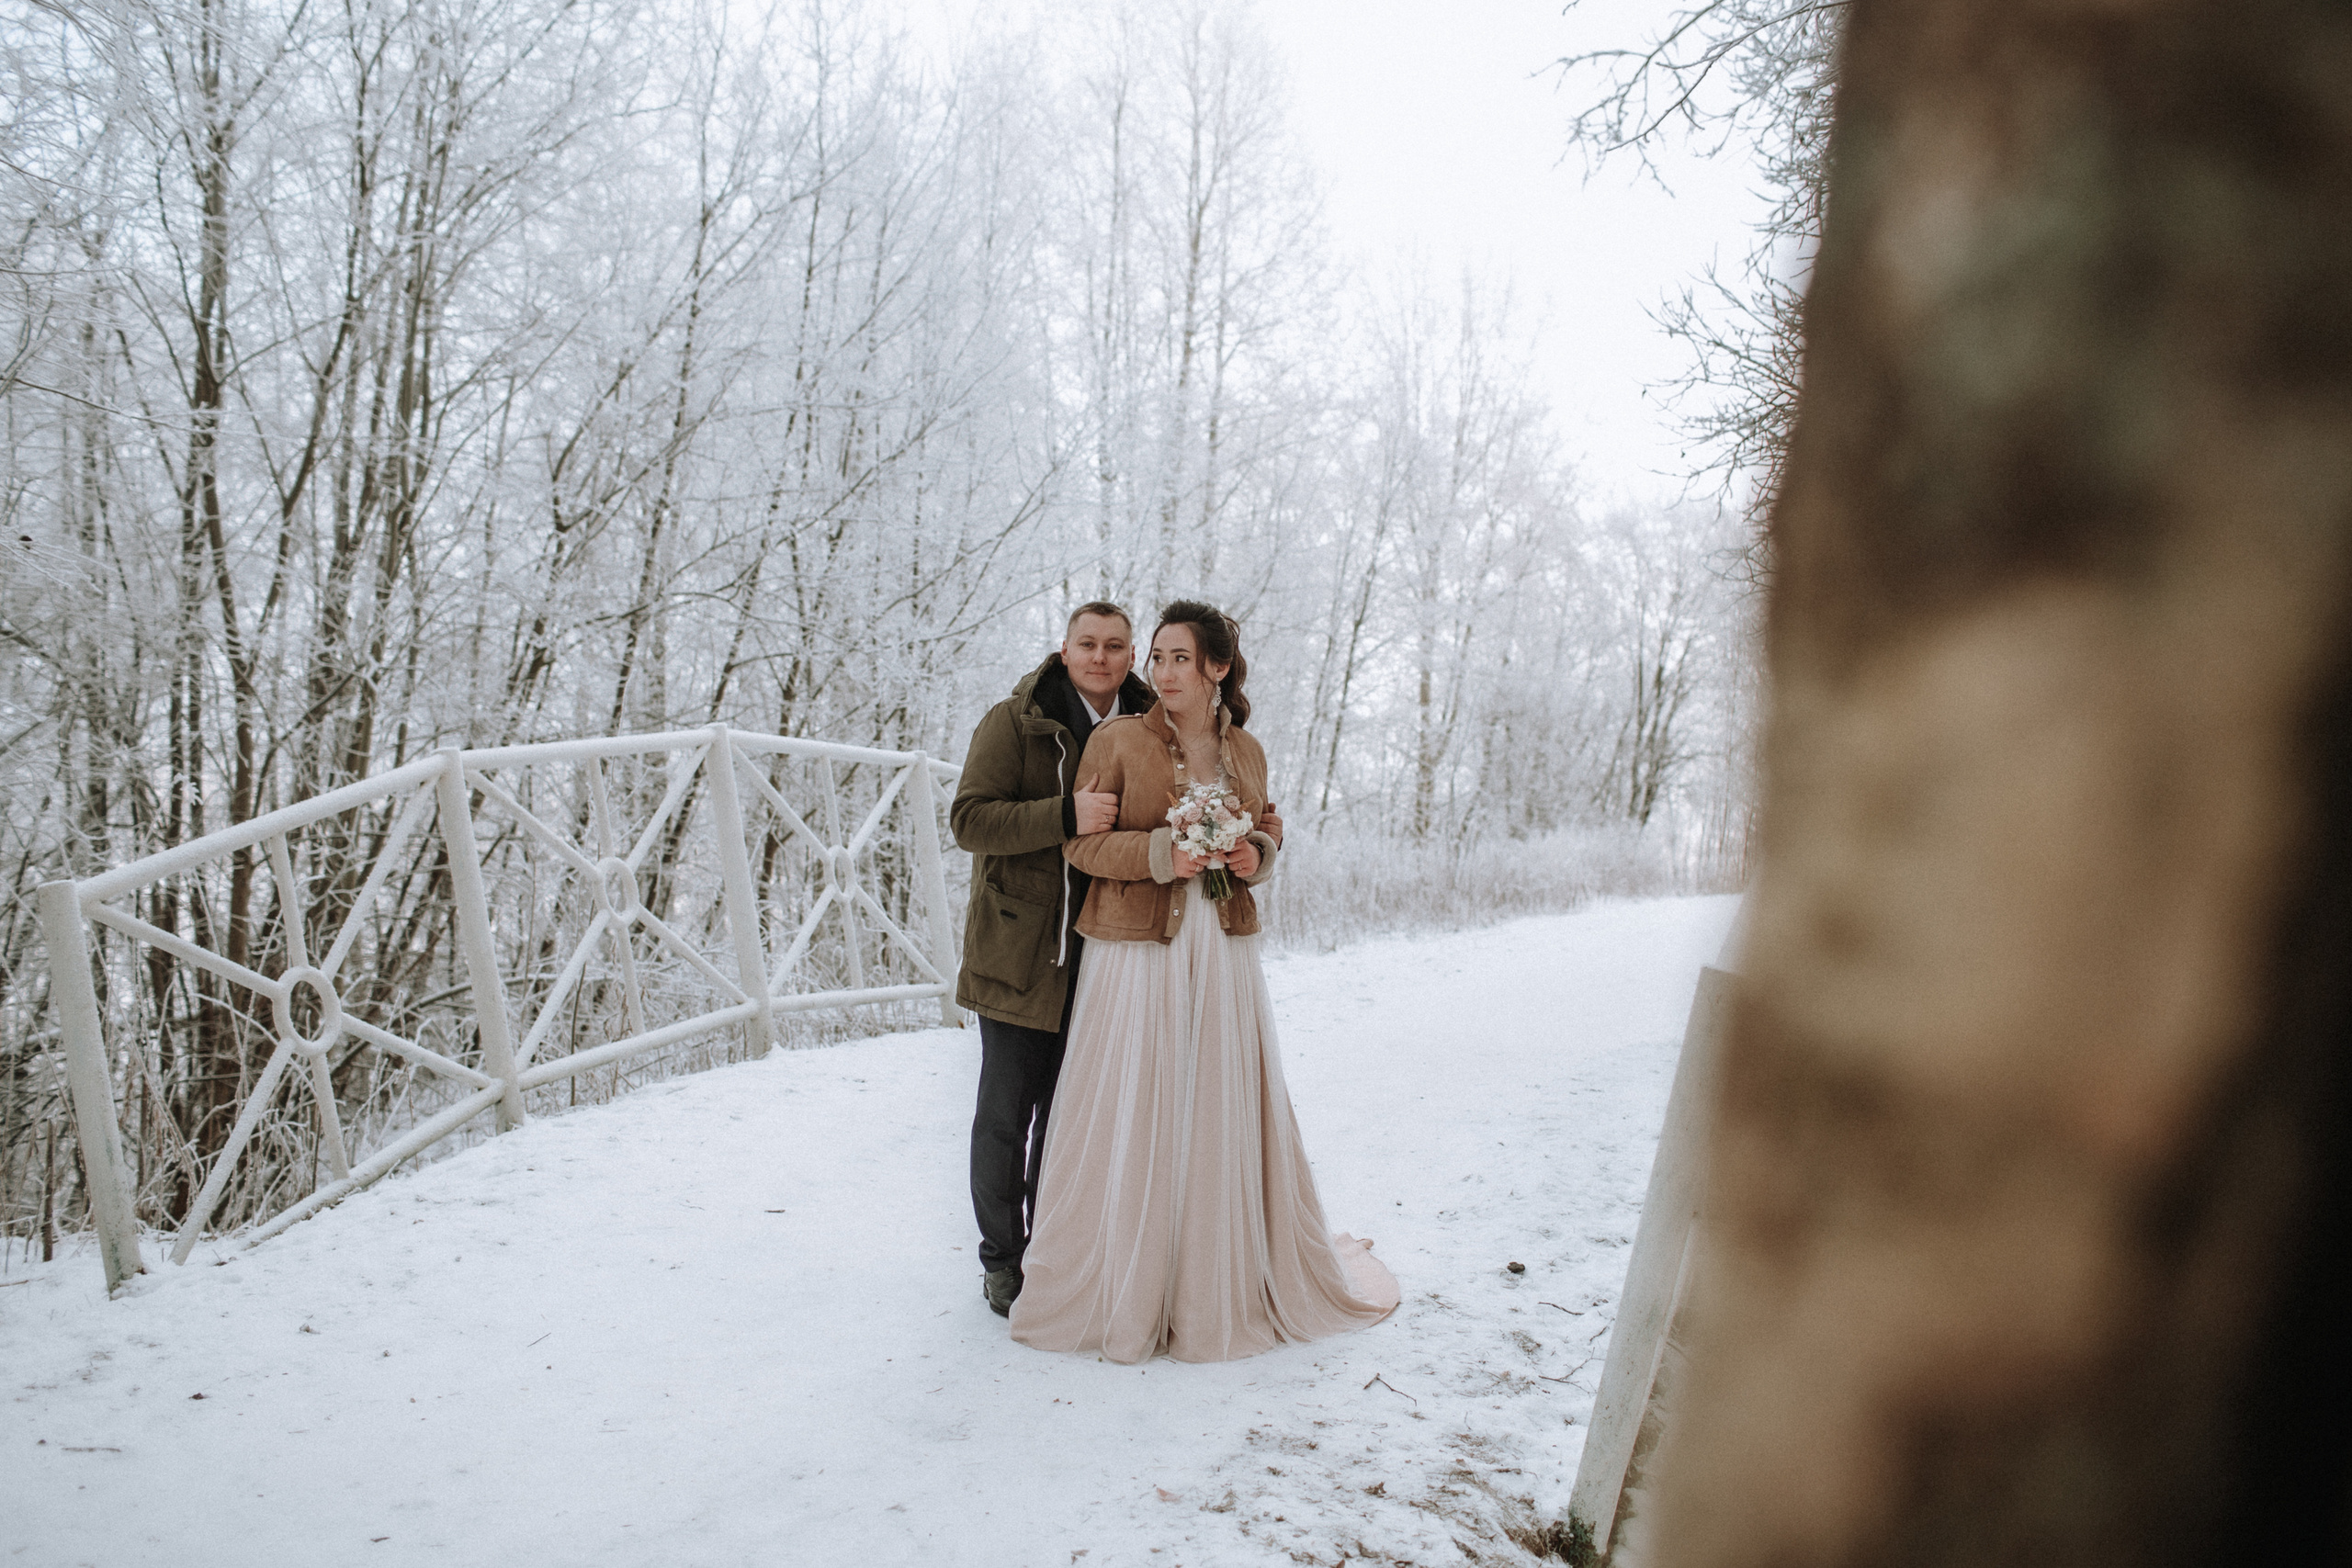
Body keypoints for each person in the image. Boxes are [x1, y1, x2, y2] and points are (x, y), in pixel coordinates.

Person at [1009, 600, 1398, 1363]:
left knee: (1213, 1100)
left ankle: (1209, 1279)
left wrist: (1255, 851)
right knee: (1141, 1099)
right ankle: (1127, 1276)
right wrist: (1164, 854)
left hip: (1220, 953)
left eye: (1179, 657)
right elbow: (1084, 851)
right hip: (1136, 956)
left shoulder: (1247, 750)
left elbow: (1268, 824)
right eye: (1156, 658)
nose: (1162, 671)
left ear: (1217, 667)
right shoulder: (1118, 740)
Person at [951, 604, 1159, 1317]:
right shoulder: (1014, 721)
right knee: (1006, 1117)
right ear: (1063, 649)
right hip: (1020, 949)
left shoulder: (1152, 728)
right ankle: (1003, 1261)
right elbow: (970, 820)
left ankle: (1058, 1254)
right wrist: (1064, 815)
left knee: (1075, 1118)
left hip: (1107, 956)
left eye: (1115, 646)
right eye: (1087, 644)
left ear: (1133, 655)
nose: (1100, 658)